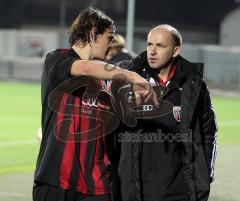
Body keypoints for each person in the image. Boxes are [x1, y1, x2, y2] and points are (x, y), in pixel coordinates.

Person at [33, 7, 154, 201]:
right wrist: (131, 75)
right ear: (93, 34)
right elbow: (85, 68)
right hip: (56, 179)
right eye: (109, 37)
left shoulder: (109, 79)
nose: (111, 45)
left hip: (97, 184)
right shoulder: (57, 59)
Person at [117, 25, 218, 201]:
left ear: (175, 51)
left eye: (160, 45)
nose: (152, 51)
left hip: (181, 189)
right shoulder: (129, 81)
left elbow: (209, 132)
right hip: (138, 188)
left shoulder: (194, 86)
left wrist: (204, 175)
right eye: (149, 44)